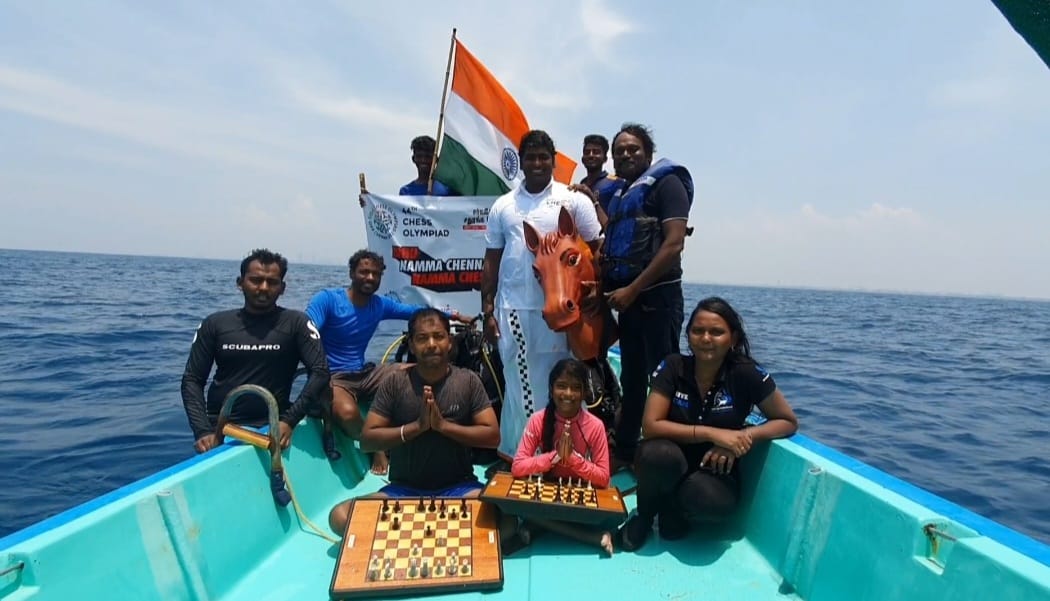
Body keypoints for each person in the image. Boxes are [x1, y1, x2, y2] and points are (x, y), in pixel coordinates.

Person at [619, 297, 799, 550]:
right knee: (654, 453)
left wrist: (742, 438)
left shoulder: (745, 373)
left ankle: (675, 509)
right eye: (698, 331)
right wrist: (715, 434)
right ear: (689, 335)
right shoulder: (673, 366)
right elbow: (651, 426)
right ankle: (645, 516)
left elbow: (787, 421)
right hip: (671, 456)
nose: (706, 338)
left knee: (711, 502)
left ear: (733, 338)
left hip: (715, 468)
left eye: (717, 332)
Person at [481, 130, 603, 461]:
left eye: (543, 157)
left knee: (564, 380)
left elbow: (597, 249)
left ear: (553, 161)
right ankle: (516, 454)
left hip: (564, 313)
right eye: (530, 157)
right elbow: (492, 260)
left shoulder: (573, 200)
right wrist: (487, 310)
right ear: (520, 162)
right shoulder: (503, 205)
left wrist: (597, 291)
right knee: (517, 383)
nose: (536, 163)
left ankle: (565, 456)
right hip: (514, 310)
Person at [328, 308, 500, 533]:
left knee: (502, 516)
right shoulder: (394, 383)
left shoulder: (468, 381)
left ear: (449, 342)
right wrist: (416, 428)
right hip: (403, 491)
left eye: (438, 336)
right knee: (339, 518)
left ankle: (415, 532)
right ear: (411, 345)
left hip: (460, 489)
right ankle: (438, 530)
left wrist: (443, 426)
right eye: (422, 338)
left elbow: (492, 437)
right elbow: (368, 441)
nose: (431, 344)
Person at [306, 250, 468, 475]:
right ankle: (375, 447)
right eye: (364, 272)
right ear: (352, 273)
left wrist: (455, 316)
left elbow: (417, 312)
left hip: (364, 373)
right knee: (347, 413)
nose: (370, 278)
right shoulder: (328, 299)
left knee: (423, 371)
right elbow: (306, 332)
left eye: (375, 273)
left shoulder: (379, 305)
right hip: (334, 377)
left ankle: (434, 437)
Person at [600, 122, 694, 467]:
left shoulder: (667, 184)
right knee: (633, 377)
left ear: (648, 152)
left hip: (658, 299)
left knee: (665, 379)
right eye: (619, 151)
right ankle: (626, 450)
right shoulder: (623, 193)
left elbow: (673, 244)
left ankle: (669, 458)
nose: (625, 155)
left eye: (632, 149)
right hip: (629, 303)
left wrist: (633, 289)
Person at [181, 248, 330, 453]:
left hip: (273, 426)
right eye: (256, 280)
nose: (264, 287)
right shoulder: (214, 324)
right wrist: (201, 430)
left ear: (282, 287)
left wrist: (289, 420)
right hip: (221, 427)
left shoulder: (296, 323)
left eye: (272, 282)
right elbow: (192, 380)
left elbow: (320, 371)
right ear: (240, 283)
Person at [510, 359, 614, 555]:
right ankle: (590, 536)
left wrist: (574, 459)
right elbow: (518, 466)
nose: (568, 394)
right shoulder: (538, 420)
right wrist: (555, 457)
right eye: (561, 386)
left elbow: (604, 478)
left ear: (584, 393)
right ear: (551, 390)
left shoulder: (595, 425)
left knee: (611, 515)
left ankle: (537, 527)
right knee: (514, 507)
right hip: (547, 494)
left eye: (576, 388)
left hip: (579, 495)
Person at [357, 136, 455, 207]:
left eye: (428, 157)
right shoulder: (406, 191)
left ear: (436, 160)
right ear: (413, 159)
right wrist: (370, 203)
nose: (423, 160)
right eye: (420, 156)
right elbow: (397, 219)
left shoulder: (448, 189)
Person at [577, 134, 621, 228]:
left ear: (605, 158)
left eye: (596, 152)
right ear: (582, 158)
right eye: (587, 152)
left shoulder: (615, 183)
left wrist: (592, 198)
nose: (591, 155)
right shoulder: (582, 184)